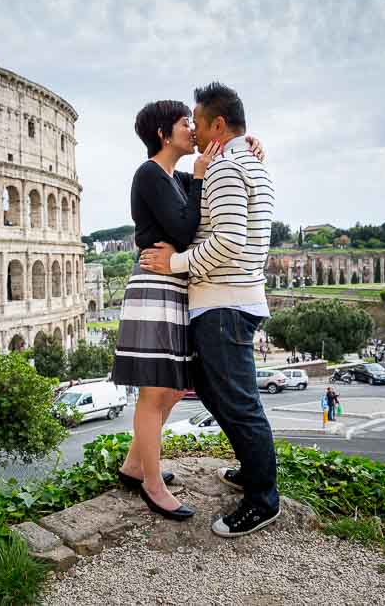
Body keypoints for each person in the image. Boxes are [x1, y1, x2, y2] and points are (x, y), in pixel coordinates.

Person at [114, 97, 264, 523]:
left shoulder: (173, 176)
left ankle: (132, 465)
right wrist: (198, 179)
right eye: (184, 123)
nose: (191, 130)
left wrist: (245, 143)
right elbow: (183, 228)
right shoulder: (150, 173)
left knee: (176, 386)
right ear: (163, 134)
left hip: (175, 285)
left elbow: (192, 218)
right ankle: (152, 483)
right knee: (155, 388)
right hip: (156, 284)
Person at [141, 82, 279, 538]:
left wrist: (173, 262)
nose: (195, 132)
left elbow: (227, 241)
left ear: (218, 125)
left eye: (198, 123)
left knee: (238, 404)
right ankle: (252, 469)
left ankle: (263, 499)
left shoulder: (224, 169)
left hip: (223, 302)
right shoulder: (252, 164)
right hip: (237, 298)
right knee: (217, 392)